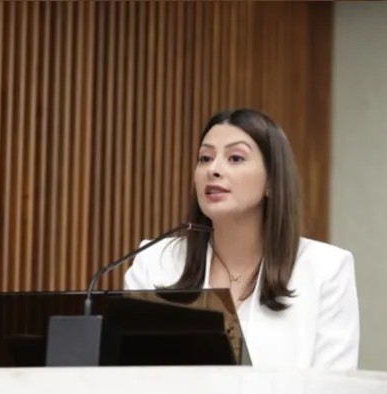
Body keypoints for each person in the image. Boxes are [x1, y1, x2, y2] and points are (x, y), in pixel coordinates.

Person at [123, 109, 360, 370]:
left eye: (235, 158)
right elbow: (133, 377)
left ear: (271, 181)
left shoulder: (326, 269)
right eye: (205, 158)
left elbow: (333, 392)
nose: (213, 169)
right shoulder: (155, 261)